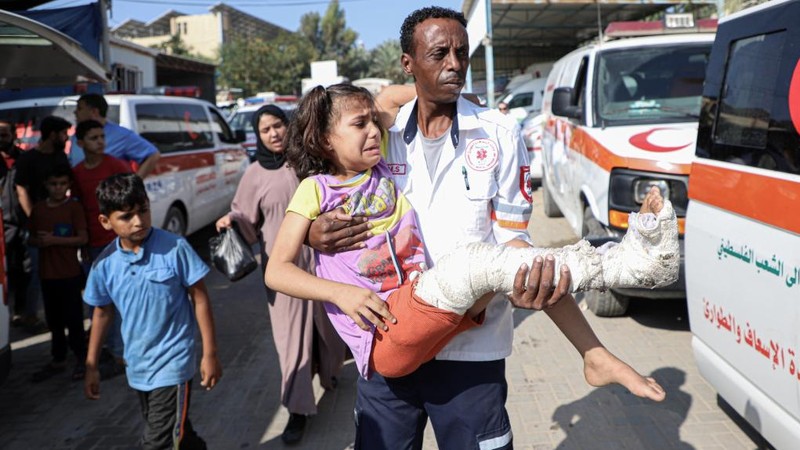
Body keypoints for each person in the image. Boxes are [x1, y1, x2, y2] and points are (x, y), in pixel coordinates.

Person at [302, 7, 620, 449]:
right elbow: (323, 185)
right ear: (407, 63)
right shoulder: (379, 133)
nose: (454, 64)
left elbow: (513, 239)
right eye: (438, 53)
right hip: (386, 343)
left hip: (472, 347)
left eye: (462, 53)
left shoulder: (499, 133)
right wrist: (311, 232)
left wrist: (582, 339)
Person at [266, 83, 674, 390]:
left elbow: (389, 98)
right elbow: (276, 272)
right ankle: (630, 263)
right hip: (384, 333)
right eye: (359, 125)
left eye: (373, 122)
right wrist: (340, 292)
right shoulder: (315, 189)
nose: (373, 130)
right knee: (473, 264)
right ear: (323, 139)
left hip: (423, 314)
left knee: (515, 266)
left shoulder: (381, 161)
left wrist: (457, 99)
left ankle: (596, 351)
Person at [215, 104, 345, 444]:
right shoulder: (254, 174)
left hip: (323, 265)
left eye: (278, 126)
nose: (273, 134)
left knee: (328, 330)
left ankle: (330, 374)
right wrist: (232, 221)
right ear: (257, 136)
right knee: (291, 345)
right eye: (265, 130)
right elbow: (244, 217)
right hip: (283, 274)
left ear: (288, 126)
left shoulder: (306, 163)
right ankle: (298, 410)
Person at [83, 173, 221, 449]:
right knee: (178, 432)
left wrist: (210, 354)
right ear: (105, 221)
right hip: (137, 365)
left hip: (174, 363)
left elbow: (200, 297)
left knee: (156, 441)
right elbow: (102, 313)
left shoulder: (174, 247)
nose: (139, 221)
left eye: (143, 211)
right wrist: (92, 365)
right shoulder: (104, 265)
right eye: (127, 216)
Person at [71, 119, 133, 377]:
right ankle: (104, 350)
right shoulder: (77, 173)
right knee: (97, 301)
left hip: (117, 245)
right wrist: (82, 241)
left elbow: (131, 198)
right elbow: (78, 209)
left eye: (102, 137)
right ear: (80, 143)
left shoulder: (115, 166)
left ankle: (120, 354)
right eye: (94, 138)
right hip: (93, 247)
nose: (100, 142)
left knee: (120, 300)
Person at [28, 164, 88, 382]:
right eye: (53, 184)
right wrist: (41, 241)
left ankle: (83, 359)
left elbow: (82, 238)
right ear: (46, 185)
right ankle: (58, 358)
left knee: (74, 319)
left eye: (62, 183)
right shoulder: (39, 209)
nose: (58, 188)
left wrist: (55, 240)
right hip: (47, 275)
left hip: (69, 273)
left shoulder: (74, 208)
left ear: (68, 185)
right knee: (54, 321)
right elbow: (31, 238)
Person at [14, 115, 73, 334]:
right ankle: (30, 315)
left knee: (61, 270)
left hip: (61, 225)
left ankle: (59, 315)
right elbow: (21, 190)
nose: (66, 138)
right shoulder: (29, 159)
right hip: (35, 225)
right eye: (63, 134)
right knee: (36, 271)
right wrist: (34, 218)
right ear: (52, 134)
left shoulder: (60, 157)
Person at [70, 93, 161, 178]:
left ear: (94, 111)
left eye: (79, 108)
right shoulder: (77, 135)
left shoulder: (122, 135)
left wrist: (134, 184)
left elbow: (153, 155)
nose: (75, 112)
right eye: (94, 138)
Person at [0, 120, 32, 328]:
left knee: (25, 270)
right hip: (2, 226)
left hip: (23, 223)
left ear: (13, 134)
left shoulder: (24, 158)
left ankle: (22, 312)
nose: (1, 139)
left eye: (4, 134)